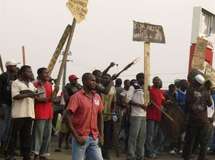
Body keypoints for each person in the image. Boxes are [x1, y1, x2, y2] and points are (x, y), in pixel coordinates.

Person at [66, 73, 104, 160]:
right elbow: (67, 117)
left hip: (94, 138)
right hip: (81, 137)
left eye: (95, 80)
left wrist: (101, 136)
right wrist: (76, 137)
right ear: (84, 81)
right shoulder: (76, 97)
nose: (95, 82)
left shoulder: (97, 97)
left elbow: (100, 116)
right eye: (92, 80)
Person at [6, 65, 37, 160]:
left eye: (31, 71)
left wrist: (35, 95)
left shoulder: (31, 84)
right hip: (18, 114)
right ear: (22, 73)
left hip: (29, 113)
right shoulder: (16, 83)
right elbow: (15, 96)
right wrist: (29, 94)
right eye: (28, 71)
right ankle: (10, 155)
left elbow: (34, 95)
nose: (30, 73)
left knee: (26, 136)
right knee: (14, 135)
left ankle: (25, 155)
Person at [183, 74, 212, 160]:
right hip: (203, 120)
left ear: (195, 82)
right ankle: (201, 157)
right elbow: (210, 104)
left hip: (193, 119)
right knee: (203, 141)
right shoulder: (206, 92)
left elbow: (187, 104)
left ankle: (187, 157)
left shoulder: (190, 90)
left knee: (190, 140)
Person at [55, 74, 82, 152]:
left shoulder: (79, 86)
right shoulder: (66, 88)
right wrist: (77, 93)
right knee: (64, 129)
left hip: (77, 110)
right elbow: (67, 98)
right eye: (74, 80)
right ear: (70, 80)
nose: (76, 81)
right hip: (68, 109)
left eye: (76, 79)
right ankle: (59, 146)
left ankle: (67, 143)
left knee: (71, 130)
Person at [32, 68, 53, 160]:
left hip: (49, 112)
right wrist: (50, 99)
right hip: (39, 112)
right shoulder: (35, 84)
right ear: (39, 74)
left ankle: (43, 153)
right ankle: (35, 153)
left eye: (48, 73)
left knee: (47, 134)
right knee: (38, 134)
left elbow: (50, 98)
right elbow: (38, 99)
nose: (48, 74)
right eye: (45, 73)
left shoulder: (49, 85)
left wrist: (54, 98)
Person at [145, 76, 165, 158]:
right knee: (150, 135)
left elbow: (162, 102)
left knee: (155, 135)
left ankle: (152, 150)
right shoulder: (149, 90)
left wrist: (164, 105)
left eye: (158, 81)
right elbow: (146, 100)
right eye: (156, 80)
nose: (157, 82)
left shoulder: (160, 91)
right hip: (151, 115)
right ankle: (148, 152)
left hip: (158, 116)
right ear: (153, 82)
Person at [127, 80, 147, 160]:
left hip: (144, 115)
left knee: (142, 137)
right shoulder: (133, 87)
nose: (144, 78)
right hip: (136, 115)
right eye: (142, 77)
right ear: (139, 78)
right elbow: (128, 100)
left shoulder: (144, 88)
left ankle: (140, 155)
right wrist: (140, 105)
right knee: (133, 136)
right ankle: (131, 155)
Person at [0, 60, 18, 148]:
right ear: (8, 67)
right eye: (13, 66)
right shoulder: (3, 76)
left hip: (13, 105)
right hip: (4, 105)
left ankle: (4, 148)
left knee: (9, 128)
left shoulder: (16, 77)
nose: (15, 67)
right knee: (2, 127)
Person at [101, 74, 116, 160]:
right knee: (99, 135)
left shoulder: (113, 89)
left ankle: (105, 153)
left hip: (108, 116)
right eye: (104, 78)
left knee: (107, 135)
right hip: (99, 116)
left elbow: (114, 101)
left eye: (107, 78)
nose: (106, 79)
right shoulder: (99, 87)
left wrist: (113, 112)